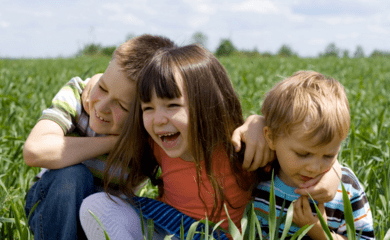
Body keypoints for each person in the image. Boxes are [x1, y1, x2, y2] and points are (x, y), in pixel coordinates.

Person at [23, 34, 274, 240]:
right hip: (58, 211)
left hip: (190, 232)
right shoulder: (84, 98)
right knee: (81, 186)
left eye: (122, 105)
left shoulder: (164, 135)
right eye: (102, 87)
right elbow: (35, 150)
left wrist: (258, 123)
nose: (100, 106)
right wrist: (99, 91)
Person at [79, 47, 342, 240]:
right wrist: (92, 86)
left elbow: (305, 152)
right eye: (148, 108)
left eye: (172, 105)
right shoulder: (156, 144)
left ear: (206, 104)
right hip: (167, 225)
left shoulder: (242, 148)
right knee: (95, 206)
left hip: (216, 236)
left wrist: (332, 173)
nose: (158, 119)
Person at [253, 71, 375, 239]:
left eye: (328, 156)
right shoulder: (260, 179)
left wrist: (320, 232)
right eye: (303, 154)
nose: (314, 168)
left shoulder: (346, 189)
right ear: (271, 137)